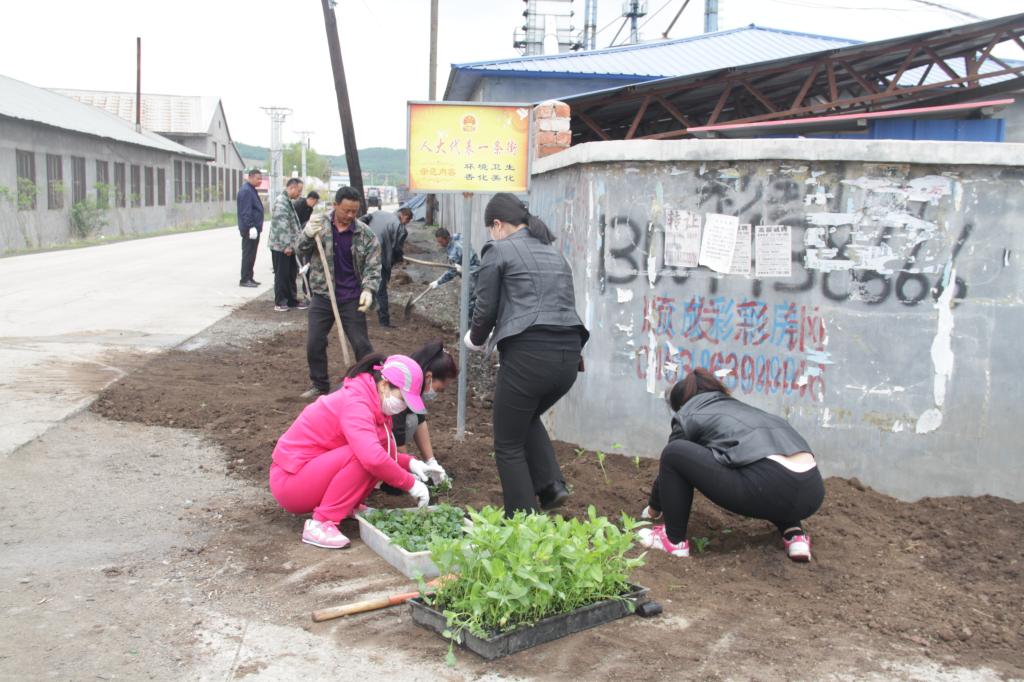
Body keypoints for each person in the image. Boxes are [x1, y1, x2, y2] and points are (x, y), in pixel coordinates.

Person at [463, 193, 589, 517]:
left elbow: (485, 308)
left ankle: (523, 524)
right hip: (568, 359)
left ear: (497, 224)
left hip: (529, 357)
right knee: (524, 416)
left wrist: (474, 340)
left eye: (491, 230)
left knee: (507, 443)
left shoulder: (498, 250)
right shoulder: (555, 254)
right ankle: (551, 486)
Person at [638, 368, 825, 562]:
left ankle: (673, 540)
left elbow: (670, 467)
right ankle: (795, 535)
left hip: (766, 485)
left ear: (681, 403)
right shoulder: (741, 409)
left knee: (673, 453)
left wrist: (653, 509)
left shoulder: (688, 414)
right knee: (772, 473)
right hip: (812, 491)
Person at [269, 354, 447, 549]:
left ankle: (347, 506)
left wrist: (412, 464)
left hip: (308, 474)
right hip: (290, 482)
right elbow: (372, 458)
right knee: (364, 456)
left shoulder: (375, 404)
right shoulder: (356, 402)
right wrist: (410, 483)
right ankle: (320, 523)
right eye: (402, 399)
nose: (403, 406)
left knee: (371, 455)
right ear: (384, 385)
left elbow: (383, 454)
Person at [297, 186, 382, 399]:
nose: (350, 215)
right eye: (346, 210)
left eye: (354, 211)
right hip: (323, 295)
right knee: (314, 342)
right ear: (335, 205)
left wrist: (368, 290)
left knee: (361, 344)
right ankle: (319, 384)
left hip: (352, 297)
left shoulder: (365, 235)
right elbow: (300, 249)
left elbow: (373, 268)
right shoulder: (320, 226)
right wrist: (307, 234)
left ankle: (373, 384)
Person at [380, 340, 458, 496]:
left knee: (413, 419)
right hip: (365, 447)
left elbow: (420, 418)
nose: (438, 393)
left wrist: (431, 461)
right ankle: (384, 479)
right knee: (409, 421)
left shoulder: (413, 382)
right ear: (429, 377)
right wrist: (407, 476)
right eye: (439, 389)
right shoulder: (398, 388)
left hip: (373, 444)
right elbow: (397, 435)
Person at [365, 208, 411, 327]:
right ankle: (384, 321)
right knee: (381, 291)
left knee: (362, 283)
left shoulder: (378, 213)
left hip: (365, 254)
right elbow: (397, 249)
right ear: (403, 215)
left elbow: (361, 220)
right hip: (380, 258)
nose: (406, 223)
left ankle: (360, 312)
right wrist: (399, 258)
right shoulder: (400, 228)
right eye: (407, 220)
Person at [268, 178, 306, 312]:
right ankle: (280, 302)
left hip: (289, 246)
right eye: (299, 191)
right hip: (281, 247)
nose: (300, 194)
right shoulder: (281, 202)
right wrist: (287, 246)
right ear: (292, 188)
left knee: (291, 274)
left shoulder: (287, 201)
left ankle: (291, 300)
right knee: (282, 275)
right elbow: (282, 226)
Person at [431, 227, 479, 318]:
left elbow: (452, 272)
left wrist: (438, 282)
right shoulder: (457, 237)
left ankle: (467, 325)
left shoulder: (455, 250)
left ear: (447, 238)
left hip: (472, 275)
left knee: (465, 304)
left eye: (441, 242)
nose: (440, 244)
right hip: (474, 270)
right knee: (473, 301)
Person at [236, 168, 264, 287]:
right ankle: (244, 279)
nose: (260, 181)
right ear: (250, 177)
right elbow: (245, 211)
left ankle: (250, 277)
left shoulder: (251, 189)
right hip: (249, 229)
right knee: (248, 254)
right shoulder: (246, 191)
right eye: (258, 179)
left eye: (261, 179)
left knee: (252, 254)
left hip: (254, 229)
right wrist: (251, 226)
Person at [293, 191, 320, 304]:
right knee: (302, 262)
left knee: (307, 266)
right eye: (315, 202)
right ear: (311, 199)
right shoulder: (299, 205)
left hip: (306, 233)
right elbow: (296, 222)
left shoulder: (310, 209)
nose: (315, 204)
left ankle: (309, 293)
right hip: (299, 235)